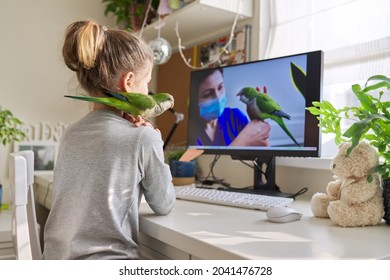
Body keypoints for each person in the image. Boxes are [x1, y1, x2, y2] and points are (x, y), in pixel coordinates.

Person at [42, 20, 175, 260]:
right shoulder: (142, 137)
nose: (148, 91)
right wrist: (154, 142)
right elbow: (164, 204)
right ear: (128, 82)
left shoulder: (70, 133)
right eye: (146, 83)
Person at [194, 68, 271, 146]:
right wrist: (243, 139)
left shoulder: (235, 117)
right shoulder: (190, 133)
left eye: (220, 87)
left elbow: (264, 151)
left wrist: (258, 123)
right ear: (195, 99)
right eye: (208, 94)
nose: (218, 98)